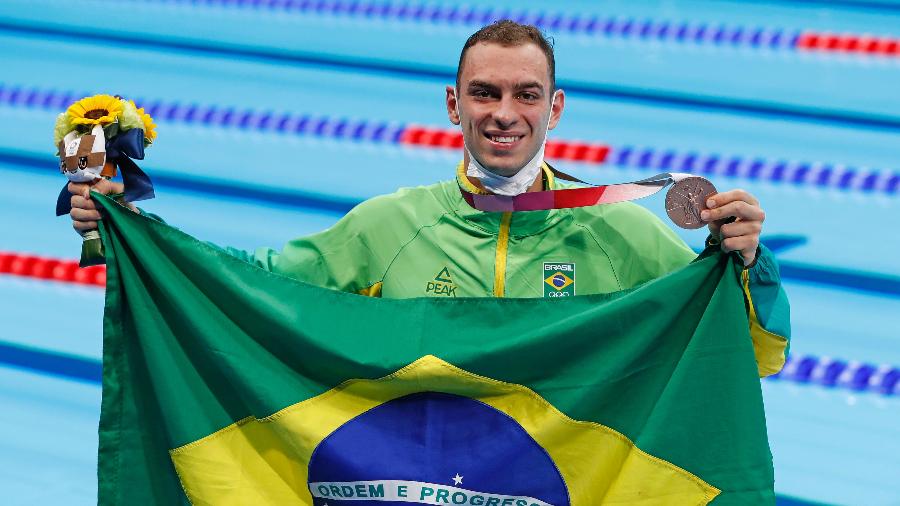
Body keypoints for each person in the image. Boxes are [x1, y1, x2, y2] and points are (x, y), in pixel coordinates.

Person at [66, 21, 790, 376]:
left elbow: (752, 352)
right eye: (484, 92)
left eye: (525, 94)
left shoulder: (615, 233)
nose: (504, 112)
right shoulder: (392, 226)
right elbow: (248, 284)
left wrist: (745, 262)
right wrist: (129, 234)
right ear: (453, 104)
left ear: (555, 108)